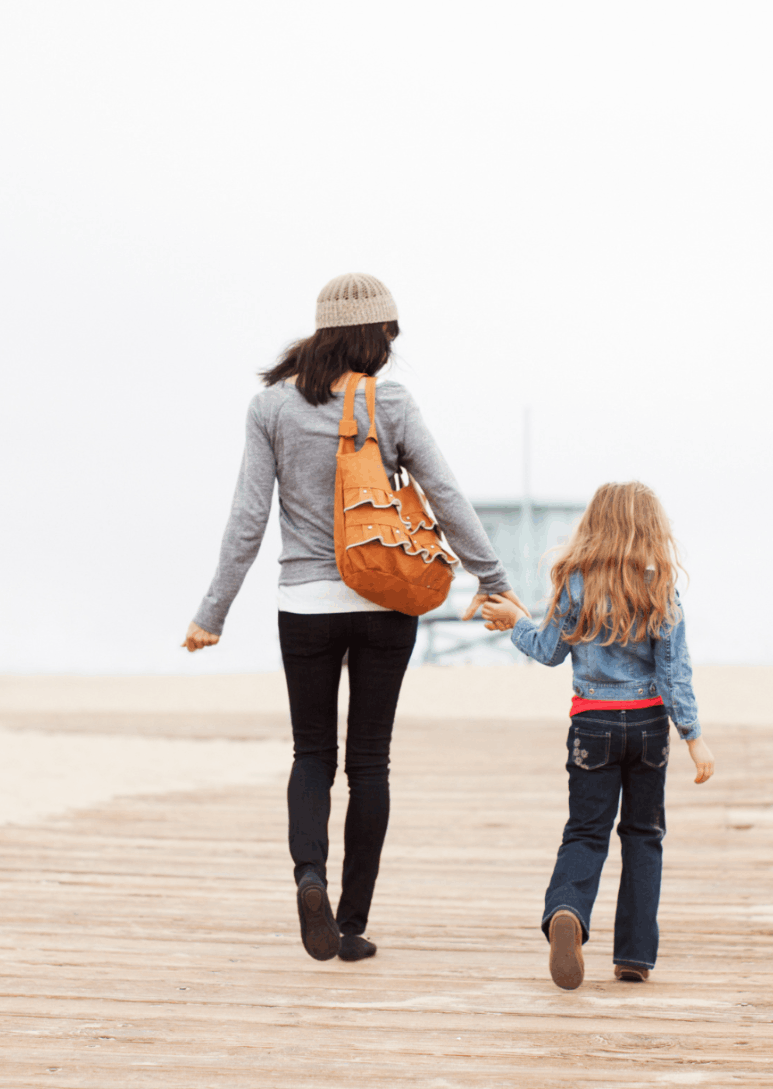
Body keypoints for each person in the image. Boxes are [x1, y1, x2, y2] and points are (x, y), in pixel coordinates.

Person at [182, 273, 525, 963]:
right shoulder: (390, 402)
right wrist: (496, 581)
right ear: (375, 334)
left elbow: (248, 520)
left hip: (303, 604)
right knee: (370, 762)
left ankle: (308, 873)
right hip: (384, 601)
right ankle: (349, 923)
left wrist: (211, 612)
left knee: (313, 753)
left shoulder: (270, 409)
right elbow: (447, 496)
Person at [478, 481, 715, 989]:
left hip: (593, 725)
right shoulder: (659, 584)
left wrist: (517, 622)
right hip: (649, 727)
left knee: (586, 833)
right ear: (651, 527)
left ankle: (568, 910)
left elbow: (547, 650)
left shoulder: (577, 581)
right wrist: (693, 734)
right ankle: (633, 956)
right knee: (643, 837)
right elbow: (675, 671)